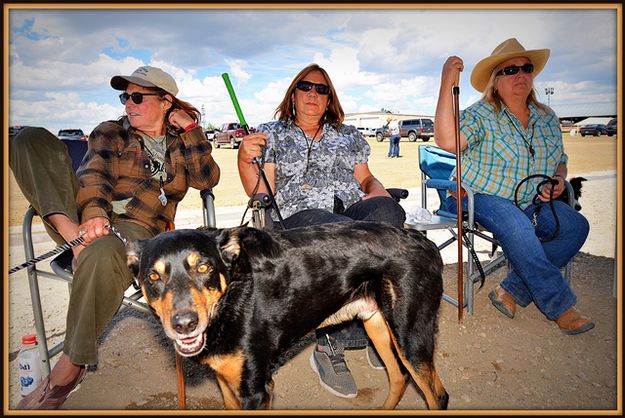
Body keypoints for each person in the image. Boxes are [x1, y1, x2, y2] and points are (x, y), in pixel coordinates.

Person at [10, 65, 221, 409]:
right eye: (125, 96)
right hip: (77, 214)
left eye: (137, 97)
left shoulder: (182, 142)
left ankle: (69, 366)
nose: (128, 104)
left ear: (166, 101)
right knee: (29, 137)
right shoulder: (112, 132)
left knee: (106, 250)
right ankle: (77, 240)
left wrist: (192, 128)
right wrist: (91, 217)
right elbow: (94, 175)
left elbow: (206, 179)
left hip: (136, 229)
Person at [237, 63, 406, 398]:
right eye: (306, 87)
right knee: (344, 237)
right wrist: (245, 159)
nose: (313, 94)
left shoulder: (347, 135)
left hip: (347, 215)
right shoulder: (273, 133)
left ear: (330, 99)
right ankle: (330, 346)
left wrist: (377, 189)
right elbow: (260, 191)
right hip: (298, 222)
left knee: (389, 213)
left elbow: (365, 178)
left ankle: (378, 328)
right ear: (293, 93)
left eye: (321, 89)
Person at [434, 38, 593, 335]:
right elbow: (447, 141)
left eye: (526, 68)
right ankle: (560, 306)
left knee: (575, 226)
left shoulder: (547, 118)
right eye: (510, 70)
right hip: (476, 195)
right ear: (495, 81)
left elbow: (560, 160)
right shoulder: (482, 115)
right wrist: (446, 80)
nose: (520, 74)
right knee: (517, 224)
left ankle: (511, 290)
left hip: (532, 200)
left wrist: (558, 180)